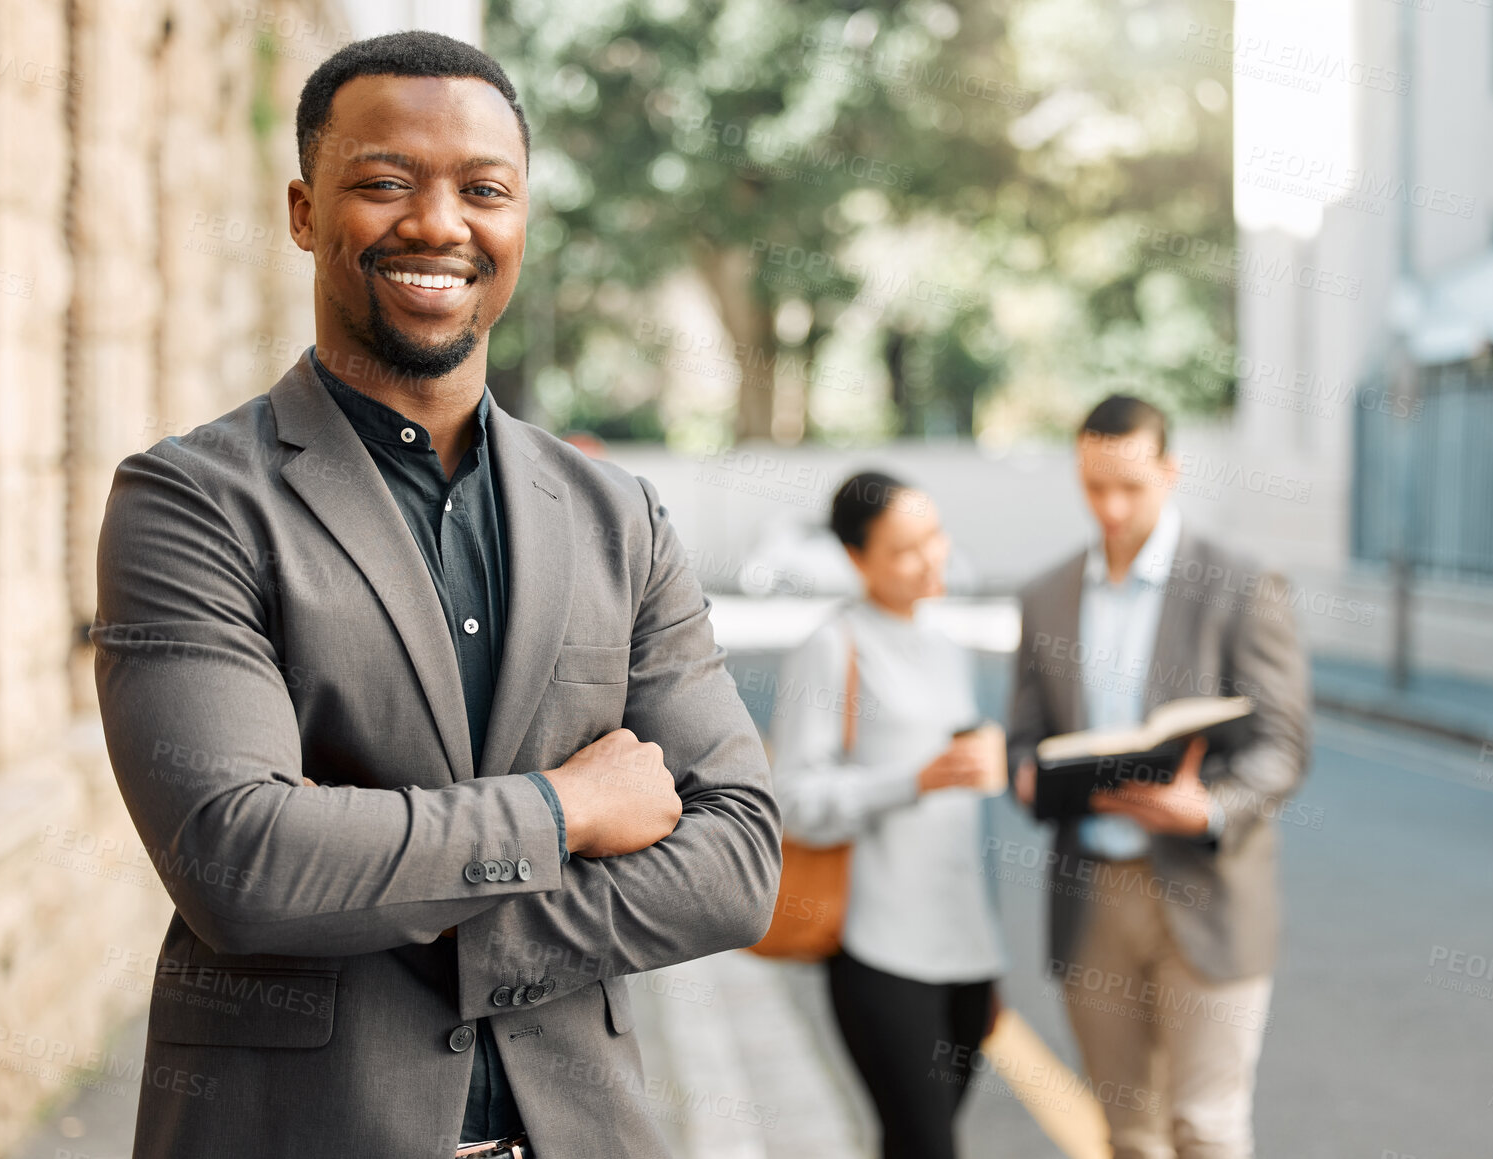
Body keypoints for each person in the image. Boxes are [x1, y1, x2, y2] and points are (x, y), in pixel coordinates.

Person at [89, 31, 780, 1159]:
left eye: (483, 189)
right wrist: (565, 813)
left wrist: (425, 917)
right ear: (306, 212)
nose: (439, 223)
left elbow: (739, 860)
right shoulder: (191, 502)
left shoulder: (620, 518)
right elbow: (242, 860)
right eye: (385, 182)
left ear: (521, 222)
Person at [1008, 394, 1311, 1159]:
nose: (1109, 507)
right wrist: (1021, 774)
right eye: (1092, 485)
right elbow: (1024, 732)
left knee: (1204, 1128)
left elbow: (1282, 746)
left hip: (1206, 889)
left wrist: (1207, 805)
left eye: (1130, 486)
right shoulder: (1045, 595)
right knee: (1129, 1135)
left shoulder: (1240, 583)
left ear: (1170, 472)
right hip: (1091, 895)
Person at [771, 470, 1011, 1159]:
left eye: (933, 536)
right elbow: (794, 800)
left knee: (913, 1144)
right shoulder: (832, 645)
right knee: (926, 1144)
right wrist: (913, 780)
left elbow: (963, 827)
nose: (930, 556)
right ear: (855, 558)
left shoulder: (945, 644)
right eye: (904, 548)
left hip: (963, 950)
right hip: (878, 946)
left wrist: (988, 958)